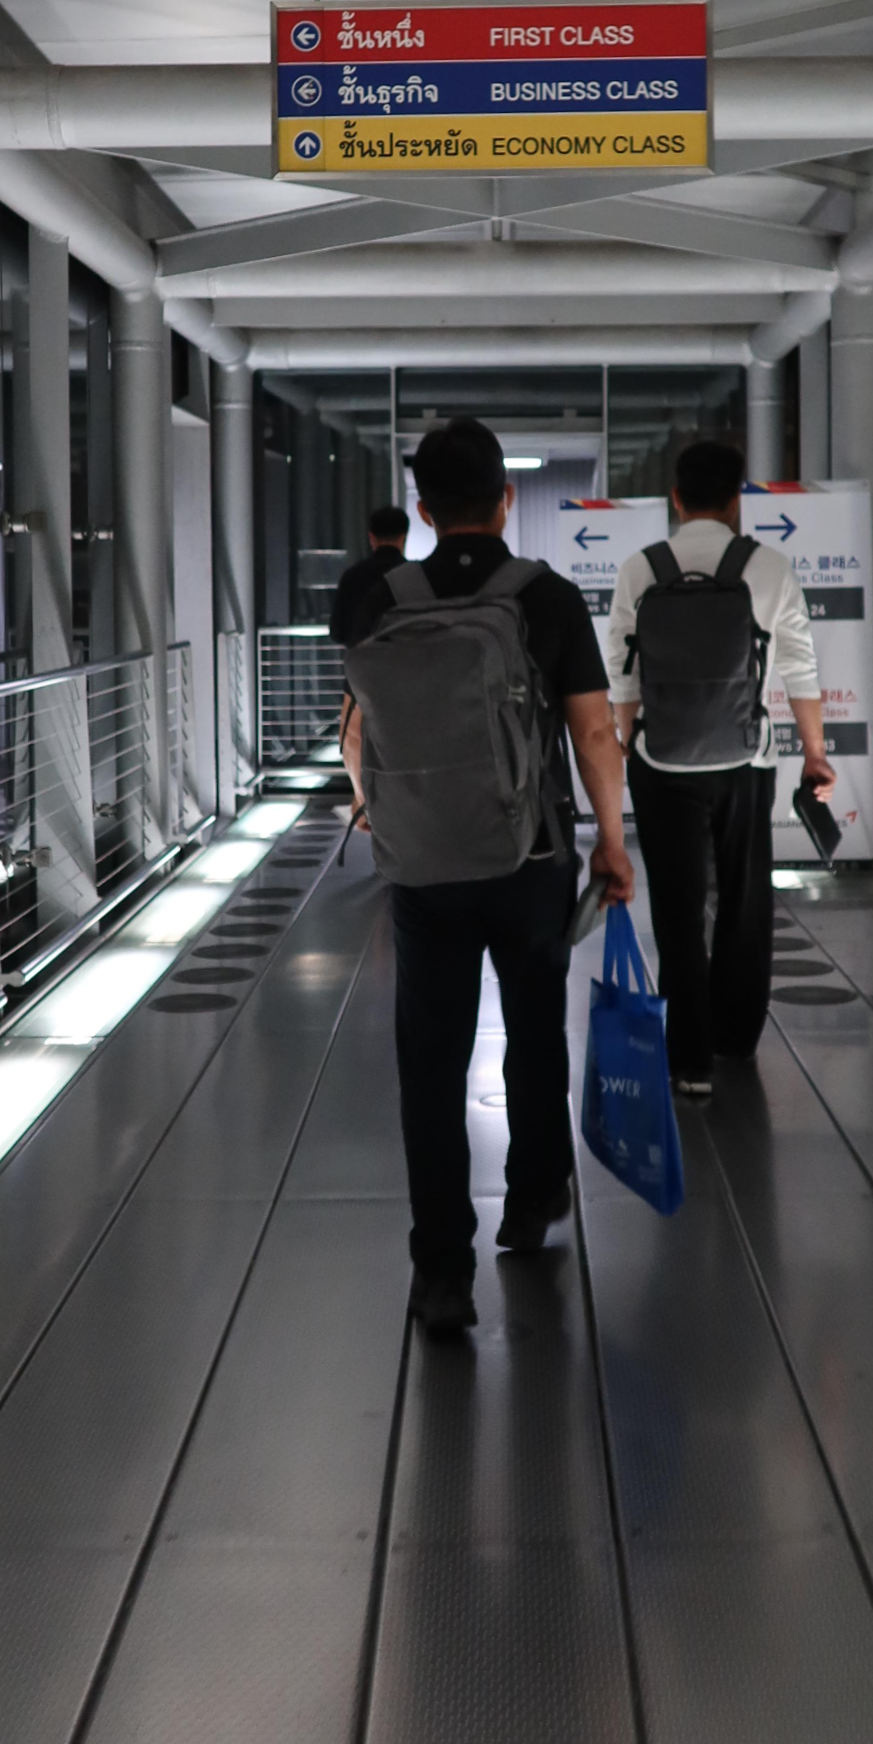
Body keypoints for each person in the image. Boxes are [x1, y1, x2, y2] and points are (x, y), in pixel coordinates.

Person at [341, 419, 634, 1337]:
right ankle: (531, 1200)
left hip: (422, 865)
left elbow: (357, 732)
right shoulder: (544, 597)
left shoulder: (380, 598)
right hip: (529, 858)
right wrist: (612, 842)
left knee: (430, 1060)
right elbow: (593, 732)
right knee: (535, 1030)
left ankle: (441, 1271)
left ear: (424, 511)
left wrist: (379, 808)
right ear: (505, 501)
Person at [605, 439, 833, 1100]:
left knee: (676, 907)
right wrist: (814, 754)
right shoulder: (767, 567)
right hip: (746, 758)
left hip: (660, 758)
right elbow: (799, 666)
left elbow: (622, 673)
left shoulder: (641, 567)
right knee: (743, 896)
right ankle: (735, 1036)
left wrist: (629, 745)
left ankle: (688, 1060)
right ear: (737, 500)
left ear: (675, 498)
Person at [327, 503, 410, 647]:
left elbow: (337, 633)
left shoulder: (352, 576)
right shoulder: (414, 575)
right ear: (403, 537)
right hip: (408, 657)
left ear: (371, 538)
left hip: (363, 658)